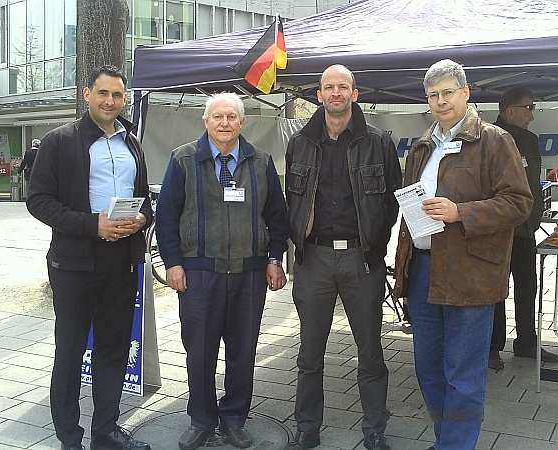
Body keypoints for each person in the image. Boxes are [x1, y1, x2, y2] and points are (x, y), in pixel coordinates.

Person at [392, 59, 533, 450]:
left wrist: (460, 212)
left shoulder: (494, 140)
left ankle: (454, 445)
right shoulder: (422, 147)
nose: (441, 101)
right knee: (429, 370)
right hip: (424, 270)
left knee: (463, 375)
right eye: (433, 95)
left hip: (470, 272)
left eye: (448, 92)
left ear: (466, 94)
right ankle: (448, 439)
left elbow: (518, 203)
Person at [26, 65, 153, 450]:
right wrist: (91, 225)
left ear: (124, 98)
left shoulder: (132, 142)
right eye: (103, 94)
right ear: (87, 94)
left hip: (122, 261)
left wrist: (143, 218)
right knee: (70, 349)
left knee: (113, 349)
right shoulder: (59, 141)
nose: (110, 101)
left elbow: (146, 197)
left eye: (117, 95)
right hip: (75, 263)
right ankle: (69, 438)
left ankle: (106, 431)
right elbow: (39, 201)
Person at [154, 92, 288, 450]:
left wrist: (275, 258)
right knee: (199, 351)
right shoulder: (182, 160)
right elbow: (166, 216)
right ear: (206, 121)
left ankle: (233, 419)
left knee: (242, 351)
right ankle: (201, 419)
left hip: (250, 273)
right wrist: (173, 264)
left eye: (232, 117)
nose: (225, 123)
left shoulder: (261, 162)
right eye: (218, 117)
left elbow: (277, 216)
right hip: (199, 274)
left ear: (242, 122)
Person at [285, 64, 402, 450]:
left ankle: (374, 429)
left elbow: (391, 202)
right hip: (313, 259)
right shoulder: (300, 142)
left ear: (355, 93)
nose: (336, 93)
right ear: (318, 95)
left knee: (370, 349)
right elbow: (293, 201)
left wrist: (374, 243)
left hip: (361, 260)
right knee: (309, 351)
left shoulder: (379, 142)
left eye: (343, 87)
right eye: (328, 87)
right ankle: (307, 426)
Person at [488, 86, 558, 370]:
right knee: (496, 290)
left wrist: (536, 214)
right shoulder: (488, 137)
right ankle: (493, 346)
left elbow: (533, 181)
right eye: (528, 108)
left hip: (526, 228)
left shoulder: (531, 140)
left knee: (528, 286)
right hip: (499, 230)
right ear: (510, 111)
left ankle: (527, 342)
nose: (532, 115)